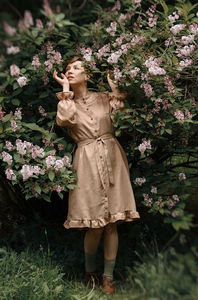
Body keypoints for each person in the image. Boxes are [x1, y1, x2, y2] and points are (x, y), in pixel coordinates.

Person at [53, 56, 140, 295]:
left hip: (112, 156)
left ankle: (108, 277)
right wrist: (65, 90)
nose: (70, 71)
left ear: (87, 75)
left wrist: (114, 90)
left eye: (76, 67)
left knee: (112, 224)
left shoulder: (103, 98)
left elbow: (121, 117)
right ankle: (90, 271)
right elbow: (64, 120)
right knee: (95, 226)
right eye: (67, 68)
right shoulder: (67, 102)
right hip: (87, 161)